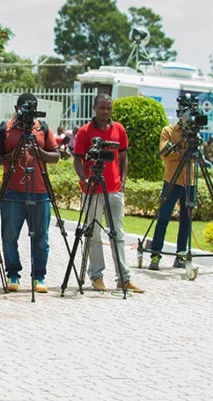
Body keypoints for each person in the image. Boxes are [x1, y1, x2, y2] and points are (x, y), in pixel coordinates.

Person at [73, 94, 144, 294]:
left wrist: (122, 181)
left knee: (118, 235)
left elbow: (123, 157)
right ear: (94, 108)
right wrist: (84, 179)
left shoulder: (119, 129)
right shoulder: (85, 132)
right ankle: (96, 276)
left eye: (109, 108)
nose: (106, 112)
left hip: (114, 191)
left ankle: (123, 278)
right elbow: (77, 159)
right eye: (102, 108)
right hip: (93, 190)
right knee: (94, 234)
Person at [0, 93, 60, 293]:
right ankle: (13, 275)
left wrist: (40, 153)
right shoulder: (4, 129)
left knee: (41, 238)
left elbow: (56, 156)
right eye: (25, 107)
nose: (29, 111)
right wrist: (11, 156)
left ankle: (39, 277)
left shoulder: (42, 128)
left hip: (40, 191)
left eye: (33, 107)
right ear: (16, 106)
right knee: (10, 235)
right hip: (12, 191)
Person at [148, 112, 196, 271]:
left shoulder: (194, 133)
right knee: (163, 218)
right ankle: (155, 255)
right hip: (171, 180)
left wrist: (185, 152)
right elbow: (164, 154)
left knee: (186, 221)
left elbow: (196, 155)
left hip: (189, 182)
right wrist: (181, 153)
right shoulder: (168, 131)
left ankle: (181, 255)